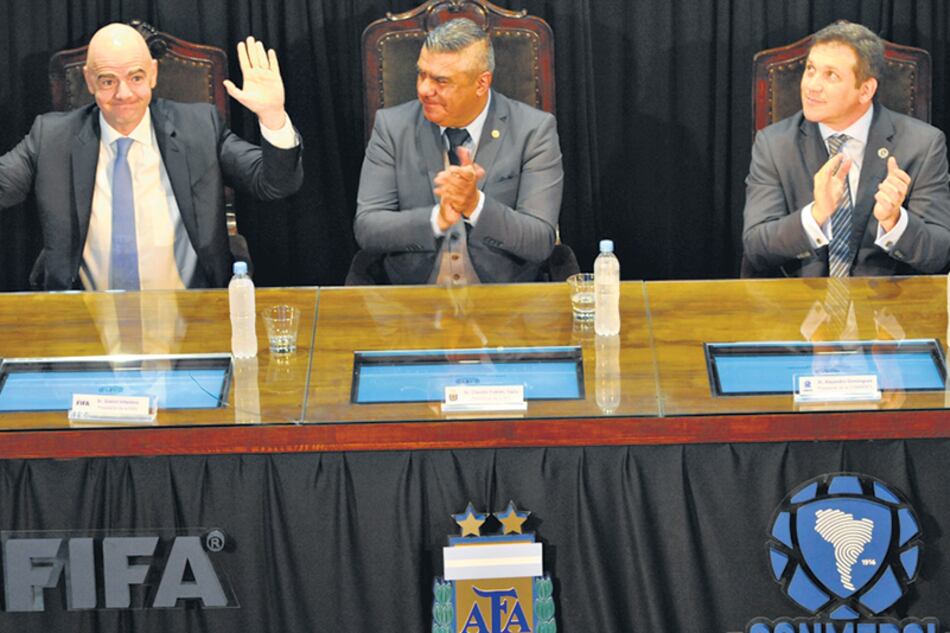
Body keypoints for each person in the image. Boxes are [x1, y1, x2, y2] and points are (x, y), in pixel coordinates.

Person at [0, 23, 303, 290]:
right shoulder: (52, 138)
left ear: (153, 75)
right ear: (89, 80)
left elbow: (275, 183)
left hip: (191, 311)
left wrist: (273, 117)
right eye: (107, 80)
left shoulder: (199, 128)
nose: (124, 94)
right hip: (84, 317)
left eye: (136, 77)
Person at [354, 18, 563, 285]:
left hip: (505, 305)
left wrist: (475, 205)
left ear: (481, 83)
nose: (424, 90)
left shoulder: (534, 131)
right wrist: (436, 219)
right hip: (412, 304)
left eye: (441, 81)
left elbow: (539, 241)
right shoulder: (392, 128)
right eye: (421, 74)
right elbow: (368, 229)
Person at [742, 21, 950, 277]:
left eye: (831, 75)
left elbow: (939, 255)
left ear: (865, 90)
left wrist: (895, 222)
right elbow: (756, 248)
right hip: (799, 305)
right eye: (810, 69)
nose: (811, 86)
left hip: (885, 306)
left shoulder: (922, 144)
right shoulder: (774, 144)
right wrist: (816, 215)